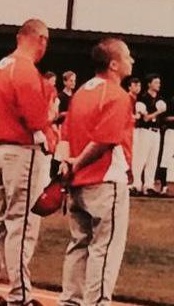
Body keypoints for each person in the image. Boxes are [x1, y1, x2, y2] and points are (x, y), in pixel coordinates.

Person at [0, 19, 53, 306]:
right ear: (41, 39)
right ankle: (20, 296)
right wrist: (50, 135)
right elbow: (34, 118)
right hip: (22, 150)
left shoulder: (1, 66)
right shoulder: (25, 69)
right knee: (22, 224)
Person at [58, 37, 134, 306]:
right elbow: (106, 139)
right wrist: (77, 162)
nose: (132, 60)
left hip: (77, 182)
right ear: (113, 64)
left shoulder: (80, 92)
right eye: (127, 56)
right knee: (105, 247)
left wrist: (66, 165)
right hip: (104, 181)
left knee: (79, 245)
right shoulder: (117, 94)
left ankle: (70, 301)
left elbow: (64, 134)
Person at [130, 74, 164, 196]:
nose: (158, 85)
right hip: (145, 131)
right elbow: (145, 119)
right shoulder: (143, 98)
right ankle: (136, 184)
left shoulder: (160, 98)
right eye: (156, 82)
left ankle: (148, 185)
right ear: (149, 84)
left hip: (156, 132)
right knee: (141, 158)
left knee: (153, 159)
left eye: (159, 82)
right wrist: (158, 112)